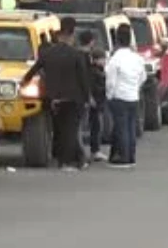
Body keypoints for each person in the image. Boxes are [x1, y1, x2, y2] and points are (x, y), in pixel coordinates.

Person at [21, 17, 92, 171]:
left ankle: (62, 158)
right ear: (71, 37)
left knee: (59, 129)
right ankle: (66, 162)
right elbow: (83, 78)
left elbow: (32, 71)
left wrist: (23, 82)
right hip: (73, 98)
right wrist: (87, 98)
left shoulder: (47, 53)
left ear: (58, 36)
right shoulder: (76, 55)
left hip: (54, 97)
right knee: (71, 131)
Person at [104, 24, 144, 168]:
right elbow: (143, 77)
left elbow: (110, 80)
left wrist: (110, 95)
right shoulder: (137, 58)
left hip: (119, 96)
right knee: (131, 127)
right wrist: (135, 88)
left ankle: (123, 156)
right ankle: (131, 155)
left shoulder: (115, 59)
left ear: (117, 40)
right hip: (133, 96)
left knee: (121, 127)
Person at [77, 30, 108, 162]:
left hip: (84, 97)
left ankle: (84, 152)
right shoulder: (87, 60)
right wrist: (90, 97)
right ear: (91, 42)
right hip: (90, 99)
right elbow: (87, 80)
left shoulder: (78, 56)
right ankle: (87, 153)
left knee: (83, 125)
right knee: (91, 125)